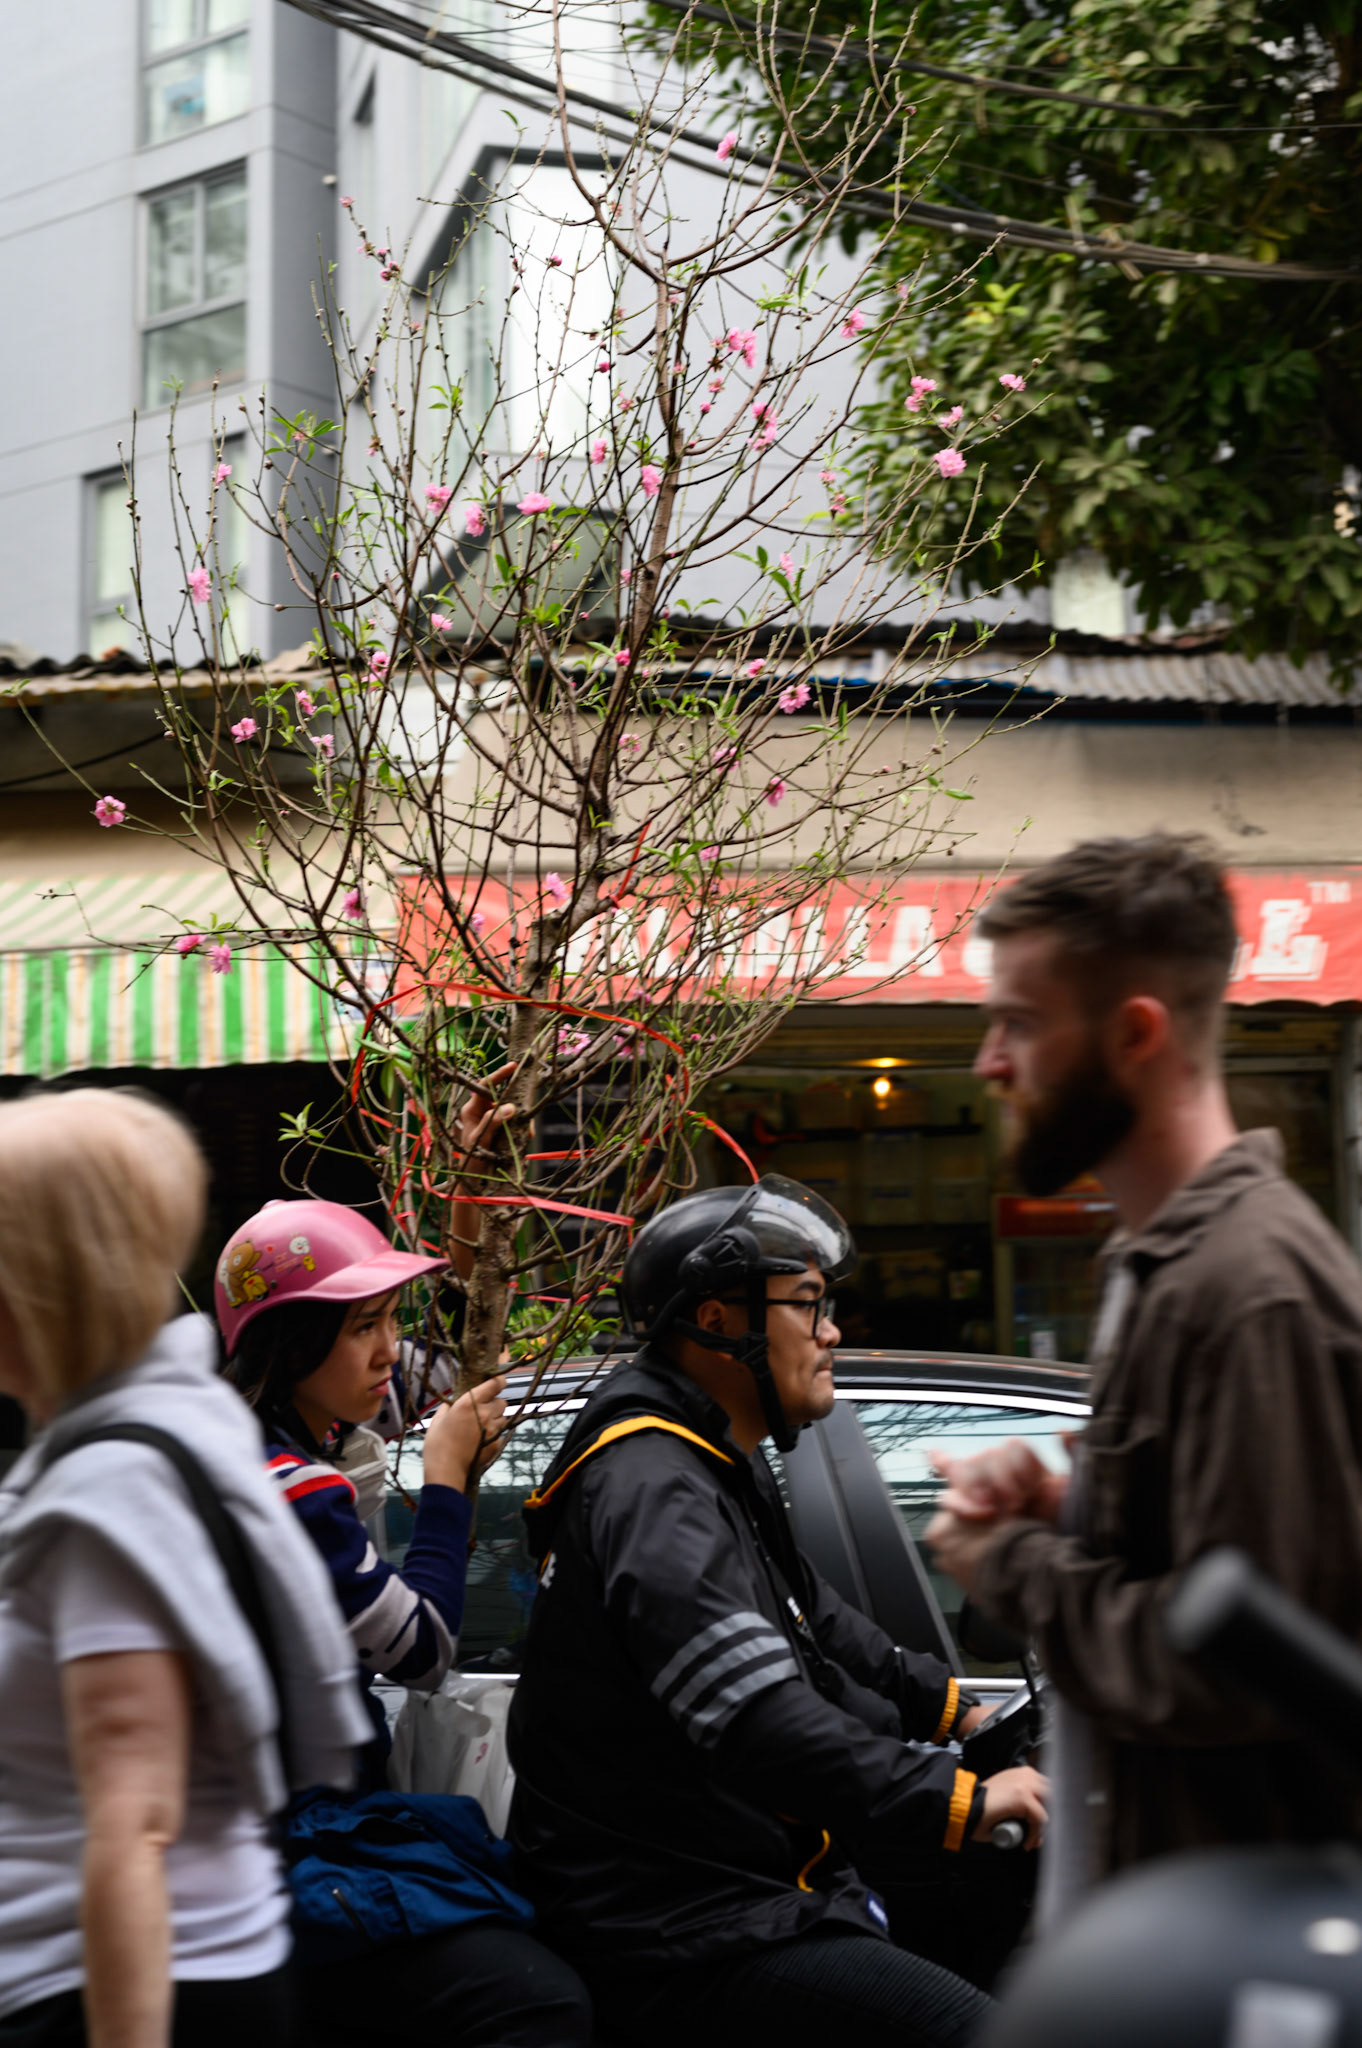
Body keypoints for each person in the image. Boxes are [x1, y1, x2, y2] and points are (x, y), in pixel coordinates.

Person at [926, 832, 1362, 1923]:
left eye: (1019, 1022)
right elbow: (1210, 1557)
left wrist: (1010, 1562)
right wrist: (1073, 1509)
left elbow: (1247, 1664)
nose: (989, 1061)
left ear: (1135, 1033)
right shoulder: (1160, 1262)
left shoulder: (1251, 1291)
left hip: (1234, 1944)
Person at [508, 1174, 1049, 2048]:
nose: (831, 1330)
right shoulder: (653, 1488)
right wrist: (960, 1798)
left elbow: (814, 1616)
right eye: (806, 1304)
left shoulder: (710, 1454)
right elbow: (756, 1715)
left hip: (745, 1879)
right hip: (678, 1924)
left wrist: (960, 1712)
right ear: (718, 1320)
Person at [0, 1090, 368, 2048]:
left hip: (115, 1991)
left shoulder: (108, 1492)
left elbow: (134, 1824)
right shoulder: (168, 1433)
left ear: (30, 1285)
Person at [215, 1198, 593, 2048]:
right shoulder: (289, 1490)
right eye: (364, 1327)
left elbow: (447, 1379)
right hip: (298, 1841)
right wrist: (447, 1480)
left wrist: (469, 1226)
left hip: (262, 1831)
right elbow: (421, 1650)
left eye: (391, 1318)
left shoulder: (253, 1440)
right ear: (292, 1343)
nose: (389, 1349)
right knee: (539, 2002)